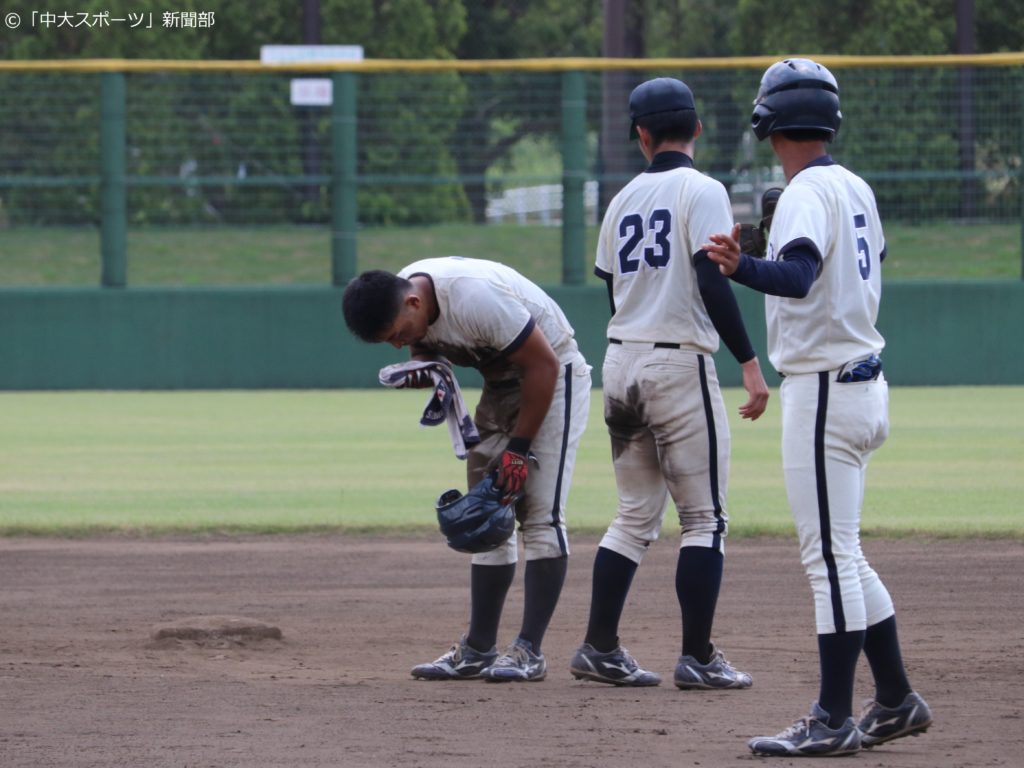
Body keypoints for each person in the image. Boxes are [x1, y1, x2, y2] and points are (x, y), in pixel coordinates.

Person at [703, 58, 933, 756]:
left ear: (768, 122)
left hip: (827, 389)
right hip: (863, 386)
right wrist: (755, 253)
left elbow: (801, 276)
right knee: (846, 555)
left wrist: (739, 265)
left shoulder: (803, 192)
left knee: (828, 560)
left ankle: (832, 718)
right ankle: (894, 700)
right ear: (828, 118)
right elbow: (844, 264)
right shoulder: (853, 185)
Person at [569, 77, 769, 690]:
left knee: (633, 515)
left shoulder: (620, 197)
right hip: (677, 364)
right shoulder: (703, 189)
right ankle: (699, 657)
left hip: (622, 361)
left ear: (642, 135)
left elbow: (611, 288)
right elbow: (712, 281)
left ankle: (599, 648)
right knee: (705, 518)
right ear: (698, 130)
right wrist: (749, 362)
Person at [342, 257, 591, 682]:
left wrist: (518, 450)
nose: (398, 345)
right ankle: (478, 650)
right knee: (483, 516)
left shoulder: (474, 297)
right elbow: (431, 345)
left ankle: (529, 652)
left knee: (541, 516)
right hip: (502, 383)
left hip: (554, 377)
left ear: (414, 303)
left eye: (399, 335)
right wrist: (425, 363)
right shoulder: (409, 298)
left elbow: (543, 365)